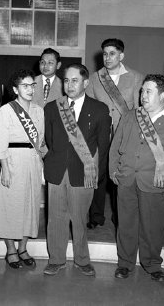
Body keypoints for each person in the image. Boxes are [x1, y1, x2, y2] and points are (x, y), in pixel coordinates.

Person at [109, 74, 164, 282]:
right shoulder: (130, 116)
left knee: (152, 228)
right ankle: (124, 263)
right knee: (125, 225)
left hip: (156, 183)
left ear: (162, 95)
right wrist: (112, 170)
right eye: (142, 91)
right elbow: (115, 145)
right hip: (126, 180)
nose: (143, 96)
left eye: (148, 92)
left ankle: (152, 264)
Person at [43, 63, 111, 277]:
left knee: (80, 218)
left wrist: (96, 175)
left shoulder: (99, 109)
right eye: (66, 80)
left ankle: (82, 260)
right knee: (55, 218)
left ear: (86, 83)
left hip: (83, 173)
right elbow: (50, 139)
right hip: (56, 171)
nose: (69, 85)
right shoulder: (52, 107)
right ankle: (56, 259)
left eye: (74, 80)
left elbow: (103, 145)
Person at [86, 38, 145, 229]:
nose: (107, 57)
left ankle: (120, 216)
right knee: (98, 174)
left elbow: (138, 109)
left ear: (121, 55)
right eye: (104, 54)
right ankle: (96, 216)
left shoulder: (136, 77)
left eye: (112, 53)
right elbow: (90, 107)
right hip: (100, 135)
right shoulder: (95, 78)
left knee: (121, 177)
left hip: (125, 135)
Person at [0, 69, 45, 269]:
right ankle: (11, 250)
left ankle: (23, 247)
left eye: (32, 85)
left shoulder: (39, 110)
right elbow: (1, 143)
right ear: (15, 89)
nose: (30, 89)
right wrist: (4, 168)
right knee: (11, 205)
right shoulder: (7, 109)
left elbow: (40, 141)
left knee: (30, 206)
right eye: (25, 85)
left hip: (32, 161)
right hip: (13, 161)